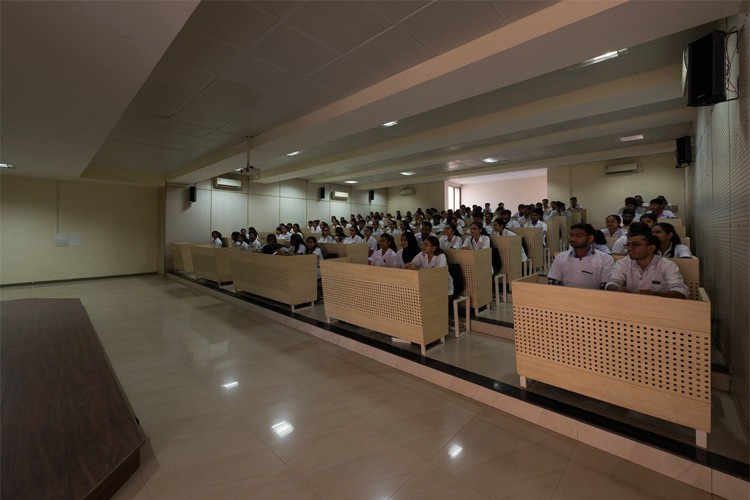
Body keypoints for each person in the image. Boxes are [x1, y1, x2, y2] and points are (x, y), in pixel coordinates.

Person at [605, 232, 689, 299]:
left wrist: (654, 295)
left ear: (651, 248)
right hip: (630, 305)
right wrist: (618, 290)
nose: (629, 249)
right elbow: (612, 283)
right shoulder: (623, 263)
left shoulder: (667, 265)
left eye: (635, 245)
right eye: (628, 245)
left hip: (660, 308)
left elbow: (681, 292)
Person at [547, 224, 614, 289]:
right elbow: (553, 282)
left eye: (578, 236)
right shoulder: (560, 257)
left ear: (590, 238)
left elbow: (605, 286)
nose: (572, 239)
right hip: (566, 297)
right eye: (571, 235)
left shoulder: (606, 259)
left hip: (594, 297)